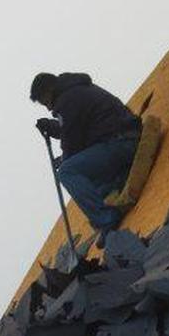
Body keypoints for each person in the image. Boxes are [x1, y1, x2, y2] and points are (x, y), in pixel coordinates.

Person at [30, 72, 141, 245]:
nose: (48, 108)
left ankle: (106, 219)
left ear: (49, 90)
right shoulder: (75, 91)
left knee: (68, 172)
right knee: (77, 169)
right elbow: (76, 130)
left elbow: (72, 143)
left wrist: (65, 159)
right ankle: (116, 184)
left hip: (121, 143)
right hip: (123, 138)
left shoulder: (67, 99)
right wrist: (54, 127)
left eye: (45, 102)